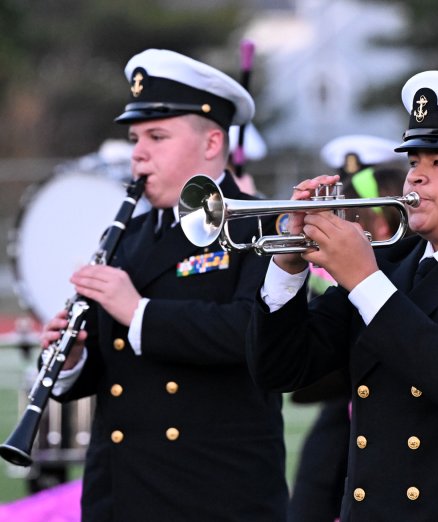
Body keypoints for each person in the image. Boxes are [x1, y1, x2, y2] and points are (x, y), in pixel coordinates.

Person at [247, 70, 438, 521]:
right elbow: (281, 369)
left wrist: (363, 280)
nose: (416, 178)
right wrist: (288, 267)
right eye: (415, 162)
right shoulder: (391, 264)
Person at [40, 49, 288, 521]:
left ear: (213, 142)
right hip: (119, 492)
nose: (138, 153)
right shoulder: (127, 234)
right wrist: (73, 360)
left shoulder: (264, 222)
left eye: (157, 136)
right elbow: (114, 367)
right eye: (135, 138)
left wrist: (139, 312)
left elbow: (257, 333)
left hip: (213, 494)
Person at [288, 135, 406, 522]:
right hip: (340, 401)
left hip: (390, 409)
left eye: (361, 208)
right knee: (310, 498)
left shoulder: (408, 259)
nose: (351, 220)